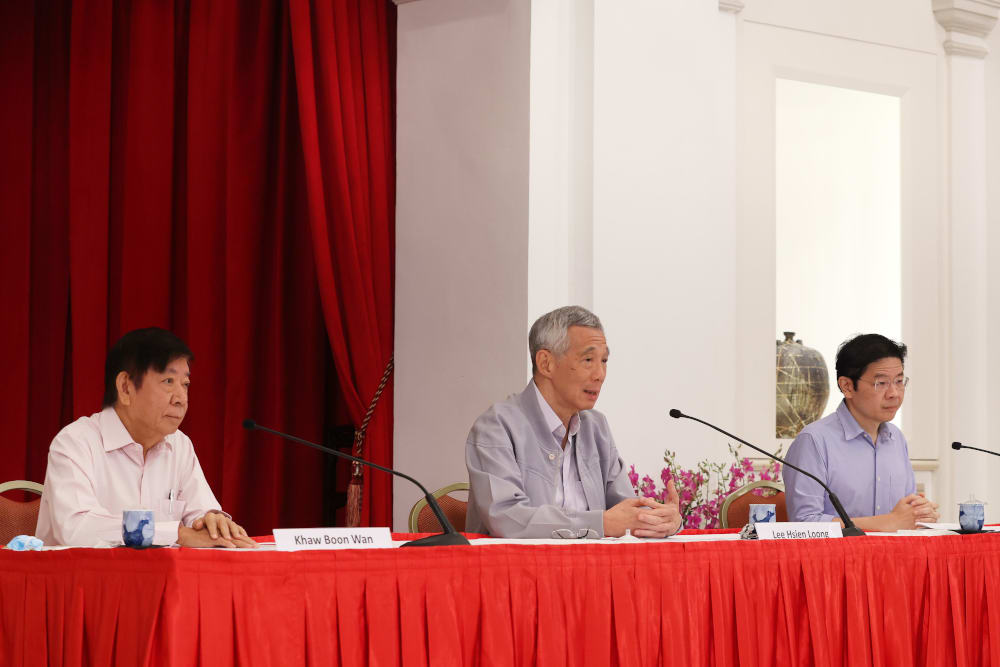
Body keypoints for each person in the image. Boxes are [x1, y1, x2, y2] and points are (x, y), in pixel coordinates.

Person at [465, 306, 682, 538]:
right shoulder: (496, 427)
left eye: (604, 360)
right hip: (515, 570)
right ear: (546, 363)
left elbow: (626, 508)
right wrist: (601, 524)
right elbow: (507, 518)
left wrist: (664, 519)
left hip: (588, 569)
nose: (599, 374)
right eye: (588, 359)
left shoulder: (596, 427)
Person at [35, 328, 258, 548]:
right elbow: (76, 528)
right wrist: (176, 534)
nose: (181, 399)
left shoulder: (179, 445)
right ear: (125, 388)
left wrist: (212, 521)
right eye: (168, 381)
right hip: (82, 582)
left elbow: (200, 514)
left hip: (158, 582)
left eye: (186, 384)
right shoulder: (75, 442)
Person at [784, 333, 939, 531]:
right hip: (836, 560)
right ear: (847, 386)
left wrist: (920, 513)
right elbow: (803, 524)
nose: (894, 393)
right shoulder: (814, 441)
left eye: (899, 381)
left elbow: (904, 514)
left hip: (894, 558)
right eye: (881, 383)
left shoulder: (896, 439)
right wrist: (887, 522)